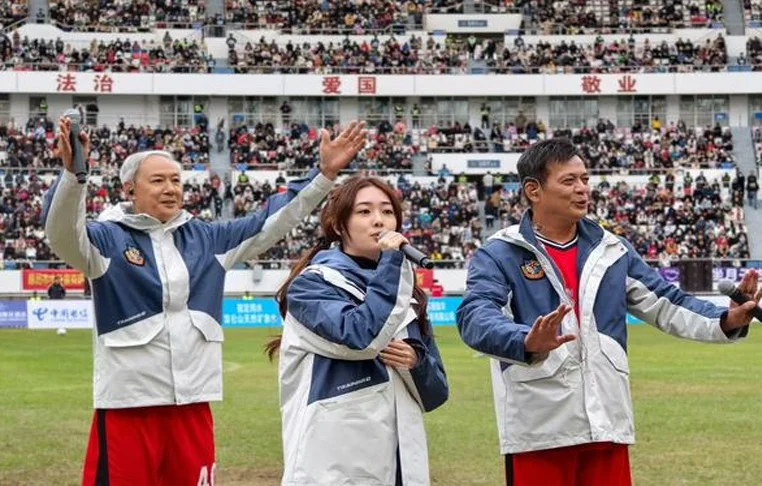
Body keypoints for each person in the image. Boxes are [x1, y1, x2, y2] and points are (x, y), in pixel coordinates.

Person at [44, 117, 367, 485]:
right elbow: (61, 233)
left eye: (176, 180)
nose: (170, 188)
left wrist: (322, 176)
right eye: (158, 180)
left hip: (194, 405)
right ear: (129, 189)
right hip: (126, 406)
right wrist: (73, 177)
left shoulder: (208, 239)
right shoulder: (104, 240)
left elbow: (271, 221)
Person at [456, 138, 759, 486]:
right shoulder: (500, 253)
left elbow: (666, 301)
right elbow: (475, 316)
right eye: (569, 181)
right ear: (533, 190)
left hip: (607, 424)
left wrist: (726, 319)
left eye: (585, 179)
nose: (582, 189)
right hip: (539, 429)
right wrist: (525, 340)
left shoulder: (612, 248)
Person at [267, 176, 449, 485]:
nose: (379, 220)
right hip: (334, 460)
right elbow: (361, 337)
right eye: (364, 212)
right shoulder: (313, 284)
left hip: (399, 460)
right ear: (339, 226)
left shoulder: (408, 295)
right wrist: (392, 263)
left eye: (387, 211)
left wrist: (415, 364)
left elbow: (436, 394)